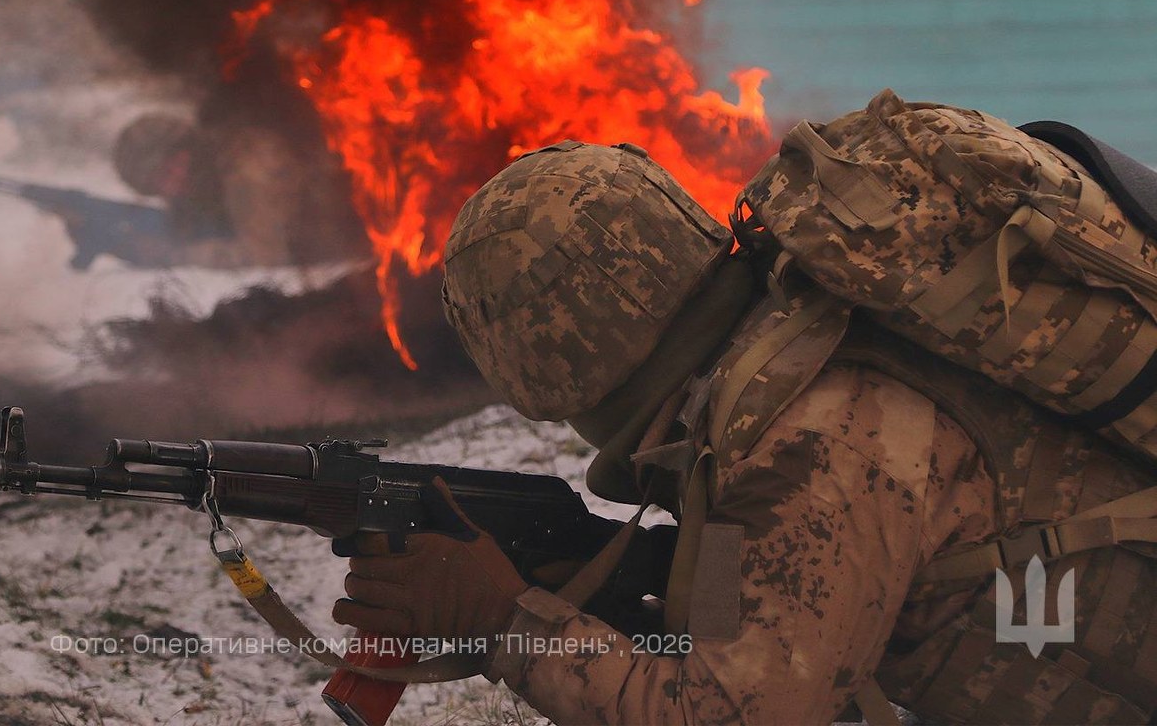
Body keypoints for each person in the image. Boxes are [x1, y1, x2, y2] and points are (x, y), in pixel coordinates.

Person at [333, 139, 1157, 724]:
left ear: (534, 370)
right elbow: (747, 620)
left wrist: (505, 619)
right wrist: (591, 593)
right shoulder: (771, 382)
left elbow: (725, 715)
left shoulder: (809, 440)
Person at [112, 113, 363, 268]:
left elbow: (265, 255)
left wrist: (174, 256)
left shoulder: (247, 169)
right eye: (157, 184)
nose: (172, 185)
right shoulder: (209, 175)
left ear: (188, 147)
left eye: (170, 168)